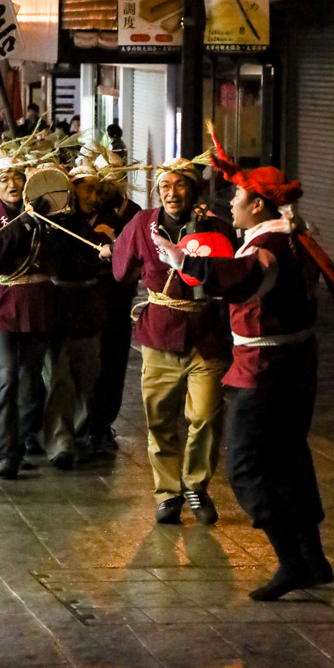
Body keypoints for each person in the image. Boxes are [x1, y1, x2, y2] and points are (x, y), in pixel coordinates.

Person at [151, 143, 334, 601]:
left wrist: (183, 260)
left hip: (268, 370)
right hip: (296, 364)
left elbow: (245, 278)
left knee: (246, 466)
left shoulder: (269, 247)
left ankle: (293, 562)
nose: (228, 204)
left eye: (235, 198)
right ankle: (312, 559)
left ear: (257, 205)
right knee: (290, 458)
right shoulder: (295, 232)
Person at [112, 159, 233, 526]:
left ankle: (196, 484)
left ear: (193, 189)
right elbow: (121, 270)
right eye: (165, 185)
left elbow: (232, 278)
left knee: (206, 415)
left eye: (180, 185)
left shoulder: (216, 228)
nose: (171, 192)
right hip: (160, 334)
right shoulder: (141, 225)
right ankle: (167, 493)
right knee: (160, 419)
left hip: (206, 336)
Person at [0, 156, 53, 479]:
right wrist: (26, 223)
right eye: (3, 179)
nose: (12, 185)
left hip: (36, 305)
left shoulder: (46, 215)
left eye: (17, 177)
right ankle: (5, 452)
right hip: (0, 306)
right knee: (7, 377)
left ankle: (21, 440)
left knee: (31, 382)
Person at [42, 164, 106, 469]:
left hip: (88, 306)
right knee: (58, 379)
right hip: (55, 305)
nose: (92, 196)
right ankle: (60, 442)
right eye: (87, 188)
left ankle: (79, 438)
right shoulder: (53, 221)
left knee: (86, 379)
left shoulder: (98, 220)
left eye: (95, 189)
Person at [86, 171, 140, 456]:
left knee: (113, 365)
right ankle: (84, 424)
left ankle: (103, 425)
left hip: (118, 301)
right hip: (87, 299)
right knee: (87, 366)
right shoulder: (82, 209)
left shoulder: (133, 213)